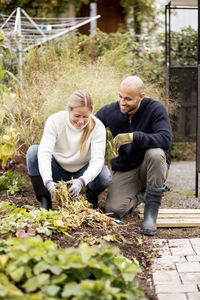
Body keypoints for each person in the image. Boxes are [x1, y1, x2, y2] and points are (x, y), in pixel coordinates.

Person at [95, 75, 172, 236]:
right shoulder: (110, 111)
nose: (122, 102)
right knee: (113, 210)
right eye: (120, 96)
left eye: (128, 99)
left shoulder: (155, 109)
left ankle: (151, 212)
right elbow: (89, 126)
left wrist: (134, 136)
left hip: (150, 166)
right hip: (127, 169)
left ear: (141, 97)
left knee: (156, 153)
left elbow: (165, 140)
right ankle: (147, 193)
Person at [26, 90, 112, 210]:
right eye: (77, 116)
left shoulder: (97, 127)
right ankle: (45, 200)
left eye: (85, 116)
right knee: (33, 152)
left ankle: (91, 198)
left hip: (81, 173)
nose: (81, 121)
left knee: (105, 176)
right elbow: (45, 152)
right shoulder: (55, 121)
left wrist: (82, 181)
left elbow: (97, 160)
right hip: (57, 169)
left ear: (91, 113)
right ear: (69, 110)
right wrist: (48, 181)